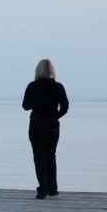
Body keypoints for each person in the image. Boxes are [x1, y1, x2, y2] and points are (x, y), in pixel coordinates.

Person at [22, 59, 69, 199]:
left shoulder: (32, 86)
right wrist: (55, 116)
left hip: (36, 125)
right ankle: (52, 188)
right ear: (51, 71)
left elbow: (25, 106)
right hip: (52, 126)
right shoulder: (58, 87)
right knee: (51, 156)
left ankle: (43, 189)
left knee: (39, 157)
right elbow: (65, 107)